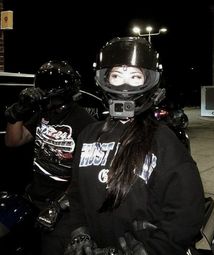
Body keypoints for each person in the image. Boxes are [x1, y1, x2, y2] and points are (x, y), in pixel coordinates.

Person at [64, 37, 205, 255]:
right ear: (105, 80)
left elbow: (186, 211)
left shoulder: (163, 140)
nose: (125, 84)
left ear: (149, 81)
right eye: (116, 76)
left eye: (135, 76)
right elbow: (76, 194)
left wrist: (153, 249)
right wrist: (79, 232)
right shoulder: (88, 135)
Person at [4, 60, 96, 255]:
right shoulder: (42, 114)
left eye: (47, 88)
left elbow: (85, 176)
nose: (42, 92)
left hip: (63, 208)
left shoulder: (85, 123)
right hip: (33, 198)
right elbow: (13, 141)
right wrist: (17, 113)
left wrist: (58, 206)